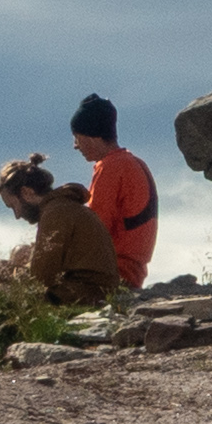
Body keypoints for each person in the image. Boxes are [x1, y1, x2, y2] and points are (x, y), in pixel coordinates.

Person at [0, 154, 130, 306]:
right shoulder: (64, 207)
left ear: (27, 193)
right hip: (89, 291)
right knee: (21, 252)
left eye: (14, 206)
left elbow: (39, 279)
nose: (17, 215)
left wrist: (5, 272)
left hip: (81, 296)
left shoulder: (55, 214)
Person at [68, 96, 158, 289]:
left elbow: (95, 231)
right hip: (132, 271)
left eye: (77, 137)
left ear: (92, 135)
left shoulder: (110, 168)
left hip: (113, 273)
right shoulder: (135, 163)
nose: (75, 146)